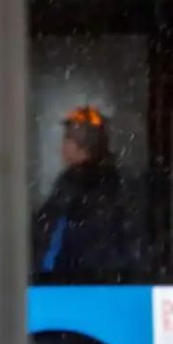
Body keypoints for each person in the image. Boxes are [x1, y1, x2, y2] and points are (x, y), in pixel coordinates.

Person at [33, 106, 130, 278]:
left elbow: (51, 241)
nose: (62, 146)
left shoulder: (71, 185)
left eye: (67, 139)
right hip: (113, 281)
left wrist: (44, 275)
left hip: (72, 284)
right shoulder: (116, 181)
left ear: (78, 146)